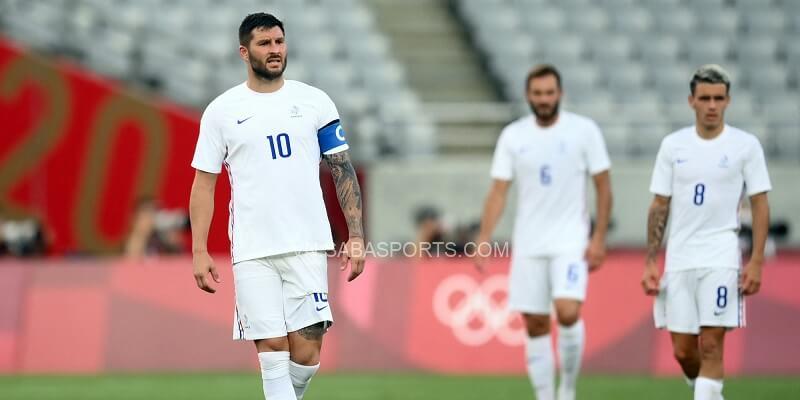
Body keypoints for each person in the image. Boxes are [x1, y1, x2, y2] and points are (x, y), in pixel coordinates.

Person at [188, 13, 365, 400]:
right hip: (253, 249)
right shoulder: (222, 110)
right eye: (265, 44)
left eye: (279, 42)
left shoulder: (314, 101)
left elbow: (341, 168)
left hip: (306, 243)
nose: (275, 51)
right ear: (244, 51)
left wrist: (355, 235)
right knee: (271, 350)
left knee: (307, 353)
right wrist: (199, 249)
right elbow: (204, 183)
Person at [474, 64, 612, 400]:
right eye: (538, 94)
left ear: (560, 94)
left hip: (570, 240)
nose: (544, 99)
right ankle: (545, 396)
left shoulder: (584, 131)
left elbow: (603, 187)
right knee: (534, 324)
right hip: (530, 242)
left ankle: (567, 389)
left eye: (550, 93)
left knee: (567, 311)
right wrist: (484, 237)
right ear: (528, 96)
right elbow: (498, 191)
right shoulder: (514, 135)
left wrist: (598, 238)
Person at [642, 64, 771, 400]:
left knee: (712, 345)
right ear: (691, 101)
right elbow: (659, 205)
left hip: (721, 258)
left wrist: (756, 260)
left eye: (718, 98)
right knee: (684, 353)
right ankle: (708, 391)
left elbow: (760, 203)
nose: (712, 105)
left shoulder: (746, 146)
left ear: (728, 101)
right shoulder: (673, 146)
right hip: (680, 258)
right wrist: (651, 262)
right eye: (705, 98)